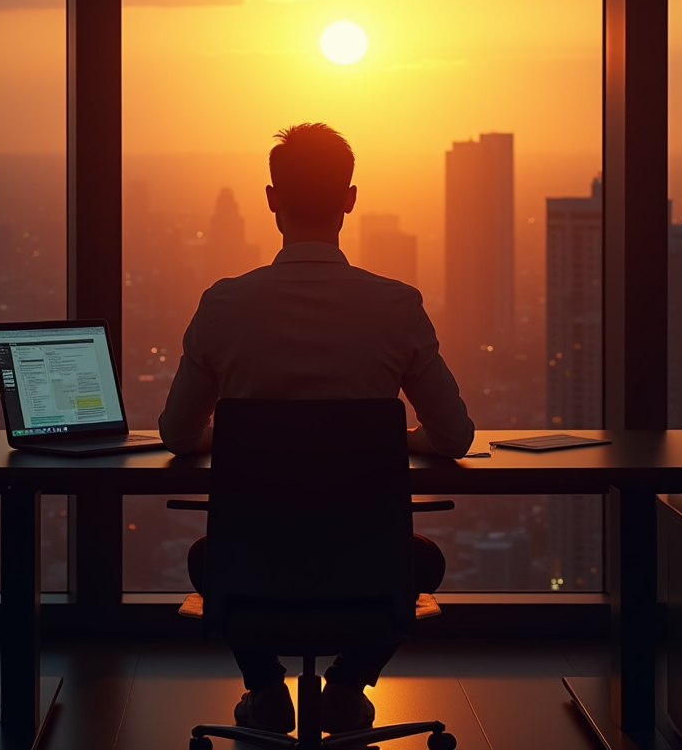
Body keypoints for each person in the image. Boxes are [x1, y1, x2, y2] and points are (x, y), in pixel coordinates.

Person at [159, 122, 475, 736]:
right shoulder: (396, 305)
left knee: (207, 558)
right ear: (349, 199)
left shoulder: (223, 304)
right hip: (368, 571)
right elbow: (454, 438)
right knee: (424, 562)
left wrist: (241, 438)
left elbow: (176, 435)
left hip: (253, 571)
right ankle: (348, 688)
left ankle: (265, 688)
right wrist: (389, 442)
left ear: (272, 199)